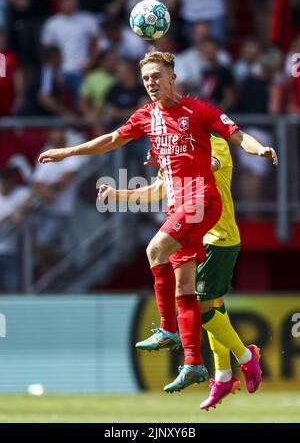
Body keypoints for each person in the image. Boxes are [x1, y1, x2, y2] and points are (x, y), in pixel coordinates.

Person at [38, 50, 278, 393]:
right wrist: (67, 153)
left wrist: (261, 149)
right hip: (180, 208)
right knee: (185, 287)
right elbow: (112, 142)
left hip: (201, 203)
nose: (151, 82)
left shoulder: (198, 113)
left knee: (155, 248)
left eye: (157, 76)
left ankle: (168, 329)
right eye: (146, 78)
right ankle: (195, 364)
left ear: (172, 77)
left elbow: (237, 135)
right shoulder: (147, 118)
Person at [98, 135, 265, 409]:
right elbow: (155, 191)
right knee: (213, 307)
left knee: (202, 307)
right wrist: (117, 194)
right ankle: (223, 376)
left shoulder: (214, 143)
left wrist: (169, 156)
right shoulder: (176, 151)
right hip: (193, 235)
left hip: (218, 238)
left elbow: (204, 167)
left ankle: (245, 357)